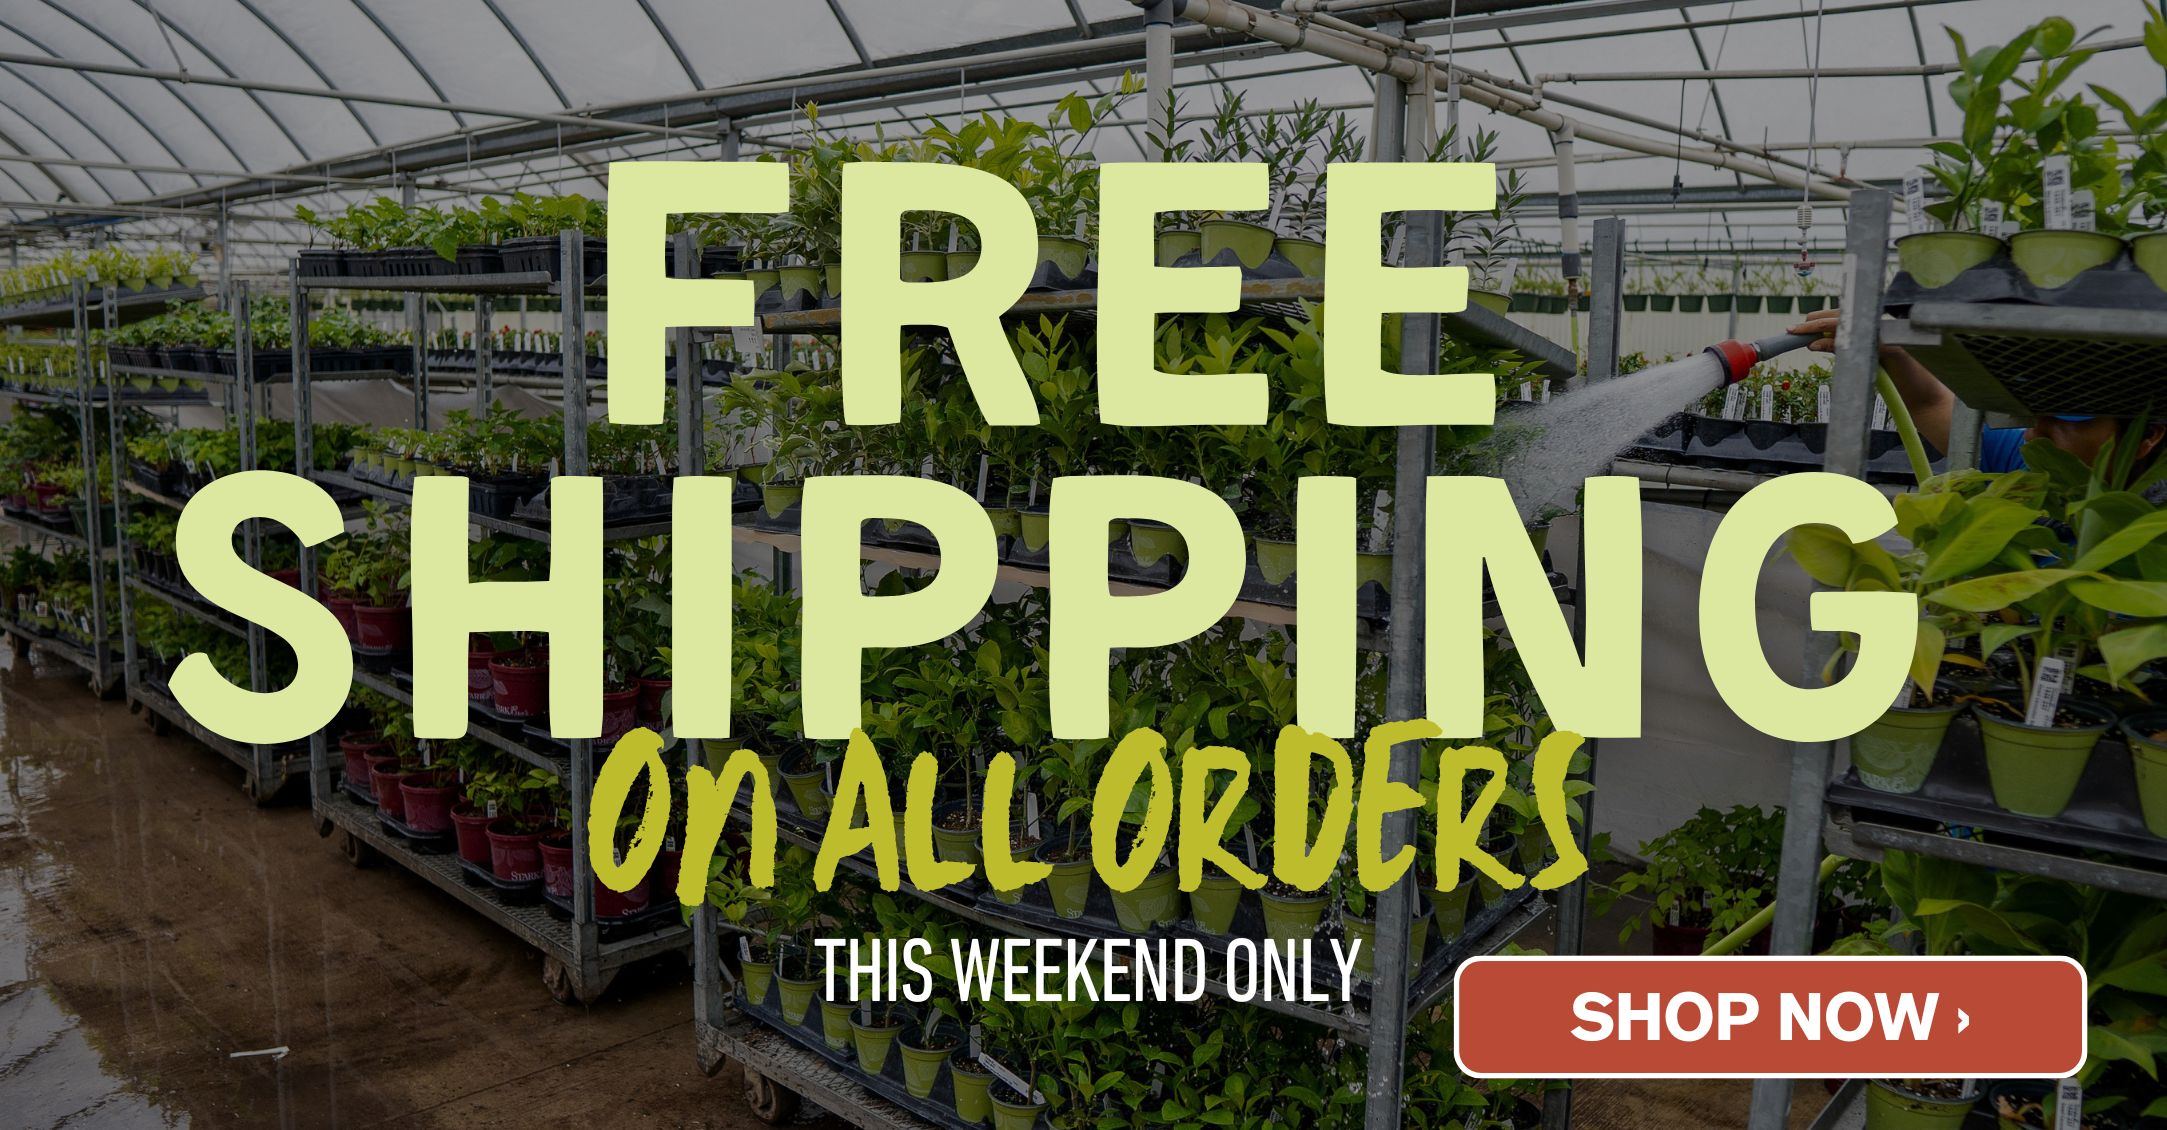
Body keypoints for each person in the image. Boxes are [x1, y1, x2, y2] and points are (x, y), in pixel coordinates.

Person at [1789, 307, 2165, 473]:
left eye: (2070, 417)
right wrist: (1891, 348)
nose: (2036, 431)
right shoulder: (2021, 461)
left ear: (2148, 435)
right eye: (2035, 413)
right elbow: (1930, 401)